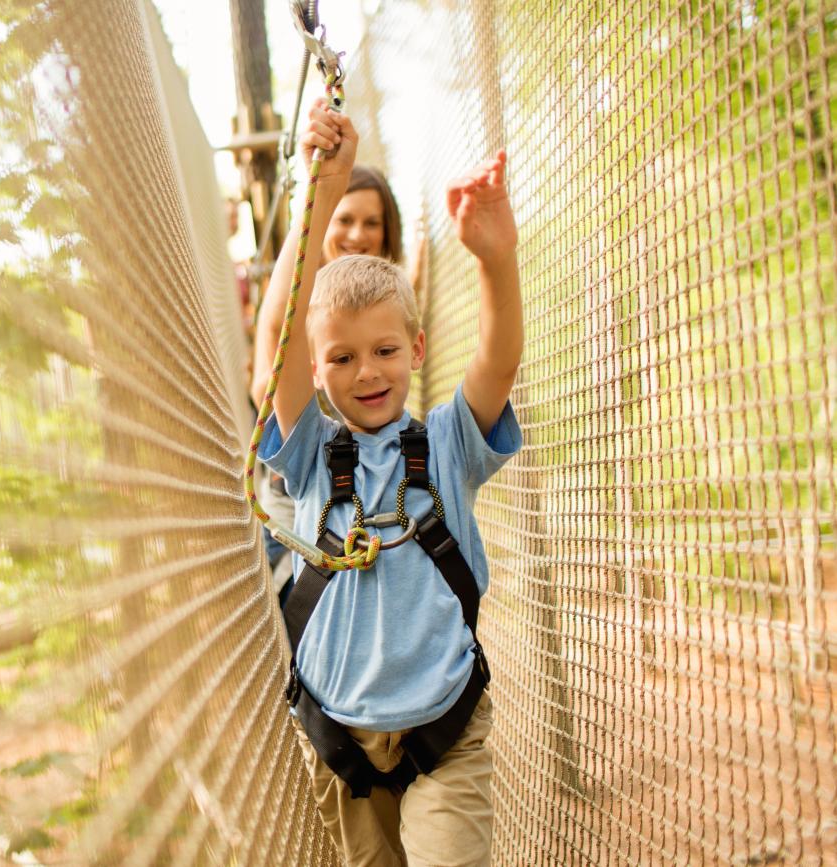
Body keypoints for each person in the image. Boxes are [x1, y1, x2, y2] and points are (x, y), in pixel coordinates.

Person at [256, 97, 523, 867]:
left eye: (385, 351)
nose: (366, 371)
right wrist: (323, 188)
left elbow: (497, 364)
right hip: (342, 738)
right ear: (314, 367)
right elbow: (278, 335)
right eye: (340, 359)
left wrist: (495, 259)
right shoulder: (308, 452)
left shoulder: (445, 443)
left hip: (447, 730)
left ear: (416, 346)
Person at [251, 163, 423, 602]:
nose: (357, 234)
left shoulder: (391, 305)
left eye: (372, 222)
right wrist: (319, 193)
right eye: (343, 219)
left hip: (377, 511)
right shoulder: (304, 302)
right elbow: (275, 345)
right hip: (303, 511)